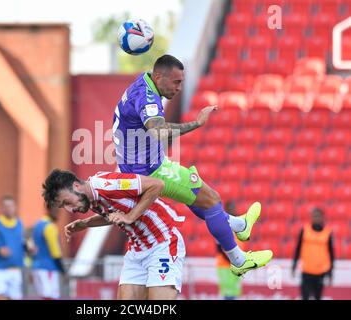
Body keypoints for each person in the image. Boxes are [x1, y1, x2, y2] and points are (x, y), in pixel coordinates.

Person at [112, 54, 272, 276]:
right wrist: (197, 123)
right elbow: (159, 131)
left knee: (198, 197)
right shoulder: (148, 97)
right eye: (176, 82)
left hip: (144, 165)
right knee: (212, 200)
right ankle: (238, 259)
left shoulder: (143, 82)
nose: (179, 88)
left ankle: (239, 225)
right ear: (159, 77)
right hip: (151, 171)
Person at [42, 169, 185, 300]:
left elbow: (157, 184)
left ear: (76, 186)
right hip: (137, 249)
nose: (69, 209)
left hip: (163, 241)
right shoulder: (90, 200)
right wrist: (85, 223)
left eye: (67, 202)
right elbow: (112, 215)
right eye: (63, 206)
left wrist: (131, 216)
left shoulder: (107, 184)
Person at [292, 207, 334, 300]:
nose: (316, 218)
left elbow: (331, 253)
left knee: (317, 297)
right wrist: (294, 265)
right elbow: (298, 248)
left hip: (320, 272)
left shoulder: (328, 232)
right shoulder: (304, 230)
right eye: (314, 216)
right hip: (306, 271)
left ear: (322, 217)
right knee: (305, 296)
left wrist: (331, 271)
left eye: (318, 216)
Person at [30, 209, 65, 299]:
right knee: (51, 297)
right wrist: (63, 270)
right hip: (48, 267)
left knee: (43, 297)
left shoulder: (37, 225)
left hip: (36, 267)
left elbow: (32, 248)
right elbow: (55, 252)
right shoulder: (50, 226)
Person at [215, 201, 244, 300]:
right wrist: (232, 260)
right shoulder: (222, 224)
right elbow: (219, 248)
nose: (233, 209)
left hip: (236, 263)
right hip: (225, 265)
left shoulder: (237, 222)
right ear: (226, 209)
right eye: (231, 207)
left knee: (234, 292)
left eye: (234, 207)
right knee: (228, 293)